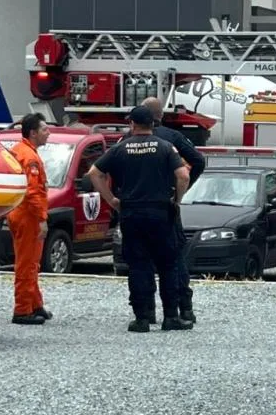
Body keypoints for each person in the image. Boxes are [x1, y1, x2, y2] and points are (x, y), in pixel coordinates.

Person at [88, 106, 192, 333]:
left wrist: (112, 200)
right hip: (161, 213)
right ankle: (171, 317)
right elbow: (183, 175)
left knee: (138, 265)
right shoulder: (165, 147)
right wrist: (177, 198)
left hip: (132, 214)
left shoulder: (120, 148)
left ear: (132, 124)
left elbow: (94, 173)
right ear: (153, 124)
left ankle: (142, 318)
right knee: (168, 265)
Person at [140, 96, 206, 323]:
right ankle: (183, 309)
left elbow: (103, 170)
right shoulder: (172, 138)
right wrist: (180, 194)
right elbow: (198, 161)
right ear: (161, 116)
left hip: (135, 208)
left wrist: (120, 196)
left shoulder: (127, 139)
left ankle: (145, 313)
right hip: (166, 207)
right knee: (173, 260)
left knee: (141, 262)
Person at [8, 112, 51, 325]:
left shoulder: (20, 151)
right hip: (28, 216)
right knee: (27, 264)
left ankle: (35, 303)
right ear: (33, 133)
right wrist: (42, 218)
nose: (48, 133)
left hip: (21, 213)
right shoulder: (30, 157)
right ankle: (23, 310)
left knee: (31, 262)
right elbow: (33, 192)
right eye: (45, 130)